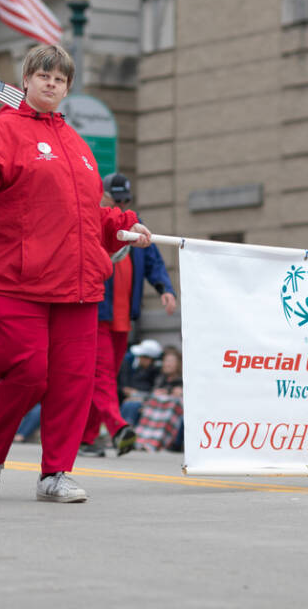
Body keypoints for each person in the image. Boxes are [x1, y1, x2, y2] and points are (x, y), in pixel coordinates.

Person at [0, 44, 153, 503]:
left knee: (73, 382)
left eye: (60, 79)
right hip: (17, 280)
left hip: (77, 283)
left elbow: (85, 216)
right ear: (25, 80)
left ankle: (54, 474)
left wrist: (122, 224)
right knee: (28, 371)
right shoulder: (2, 130)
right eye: (43, 76)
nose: (51, 84)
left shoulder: (78, 146)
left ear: (67, 88)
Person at [79, 173, 177, 458]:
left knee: (105, 378)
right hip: (97, 313)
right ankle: (119, 427)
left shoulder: (135, 226)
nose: (121, 205)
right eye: (116, 199)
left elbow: (153, 260)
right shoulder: (95, 222)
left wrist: (165, 288)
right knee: (102, 377)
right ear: (104, 196)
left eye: (125, 200)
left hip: (123, 318)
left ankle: (86, 438)